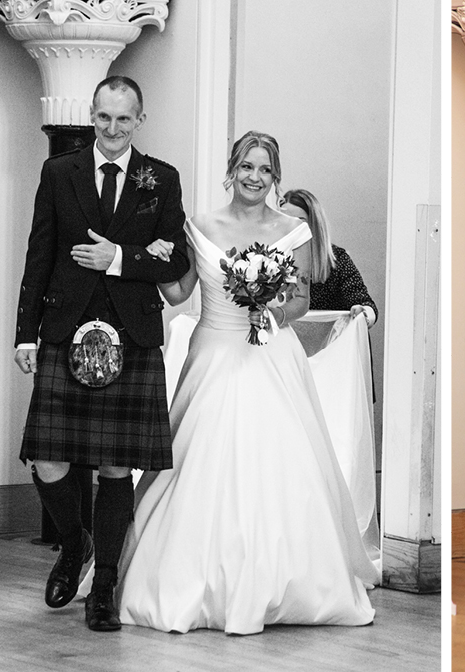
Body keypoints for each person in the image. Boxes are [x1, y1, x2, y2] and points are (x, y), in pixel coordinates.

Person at [92, 131, 379, 635]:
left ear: (275, 178)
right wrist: (155, 258)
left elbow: (301, 301)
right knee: (195, 459)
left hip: (270, 354)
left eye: (265, 170)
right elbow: (181, 292)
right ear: (232, 170)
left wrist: (271, 305)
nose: (254, 177)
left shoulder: (294, 230)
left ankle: (288, 585)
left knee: (281, 463)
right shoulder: (200, 226)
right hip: (213, 353)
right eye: (247, 167)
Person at [13, 75, 190, 632]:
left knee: (117, 466)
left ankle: (106, 584)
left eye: (124, 119)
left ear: (141, 119)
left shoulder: (161, 179)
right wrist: (25, 333)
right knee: (47, 458)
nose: (112, 130)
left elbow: (175, 263)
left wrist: (120, 257)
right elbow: (39, 252)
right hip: (66, 330)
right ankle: (74, 546)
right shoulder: (58, 171)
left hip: (130, 333)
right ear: (92, 115)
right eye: (103, 118)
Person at [280, 188, 378, 327]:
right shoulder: (271, 261)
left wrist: (364, 313)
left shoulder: (337, 260)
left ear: (314, 224)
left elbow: (365, 304)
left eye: (300, 222)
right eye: (285, 221)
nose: (291, 228)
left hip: (331, 346)